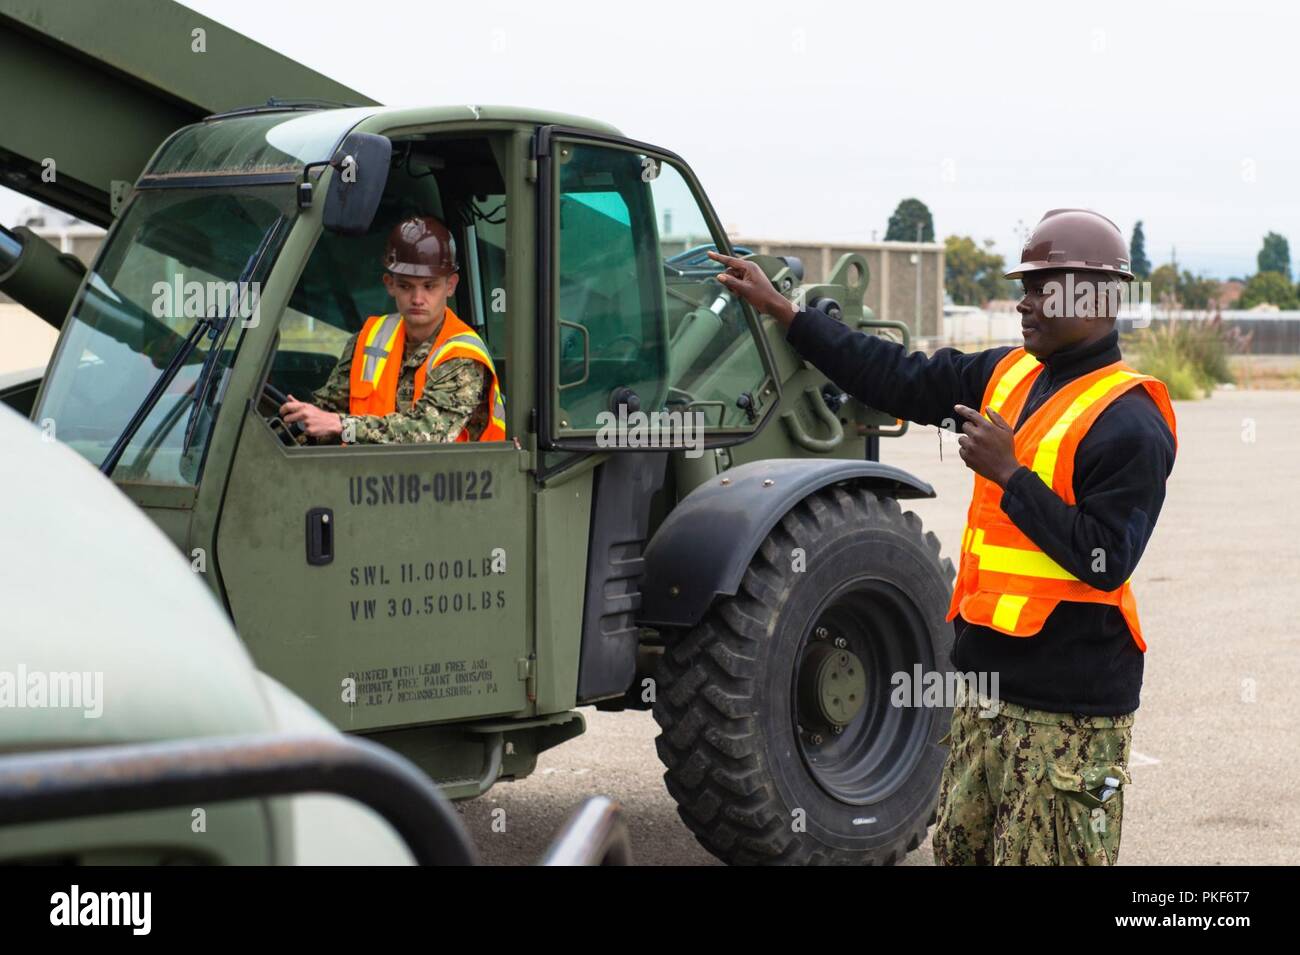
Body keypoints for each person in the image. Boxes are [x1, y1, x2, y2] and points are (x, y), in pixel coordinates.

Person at [708, 208, 1178, 865]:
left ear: (1096, 295)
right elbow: (896, 375)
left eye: (1043, 286)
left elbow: (1106, 557)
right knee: (961, 852)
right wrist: (787, 313)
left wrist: (1011, 476)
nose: (1024, 301)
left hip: (1067, 710)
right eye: (1027, 284)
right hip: (985, 689)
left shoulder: (1130, 420)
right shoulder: (1008, 375)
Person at [280, 215, 505, 444]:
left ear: (450, 286)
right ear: (390, 284)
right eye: (406, 286)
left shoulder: (463, 355)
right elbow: (328, 408)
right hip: (369, 477)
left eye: (429, 286)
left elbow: (426, 434)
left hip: (450, 479)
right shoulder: (369, 339)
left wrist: (342, 426)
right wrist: (299, 421)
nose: (417, 299)